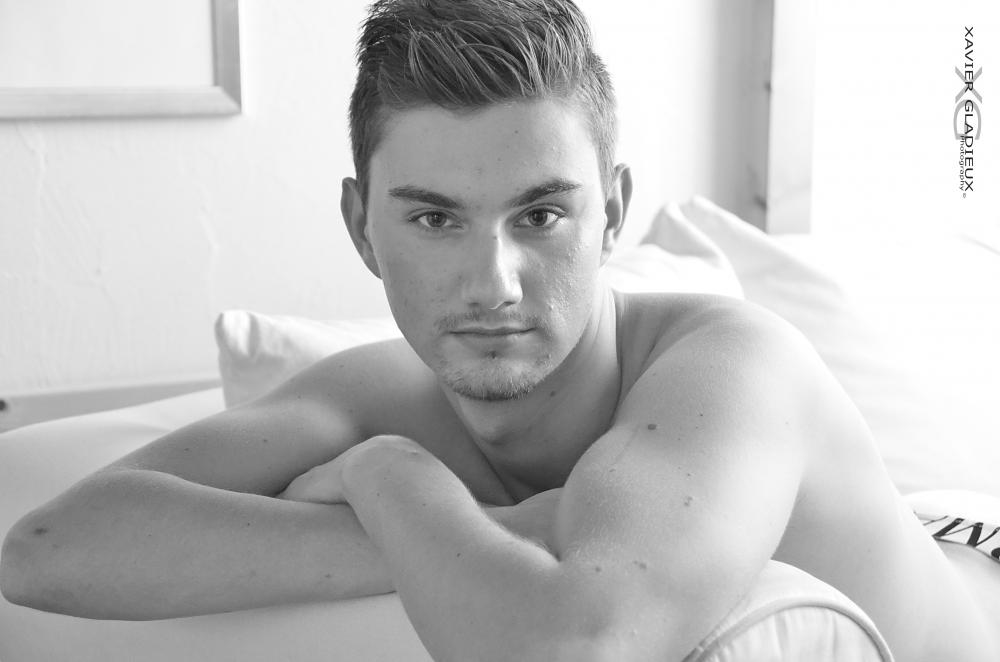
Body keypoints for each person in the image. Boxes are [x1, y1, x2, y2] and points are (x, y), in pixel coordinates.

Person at [2, 1, 997, 660]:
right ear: (361, 227)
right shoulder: (372, 391)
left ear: (612, 212)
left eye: (542, 214)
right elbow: (46, 547)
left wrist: (390, 476)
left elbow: (574, 646)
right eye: (436, 219)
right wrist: (500, 531)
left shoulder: (737, 365)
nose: (493, 283)